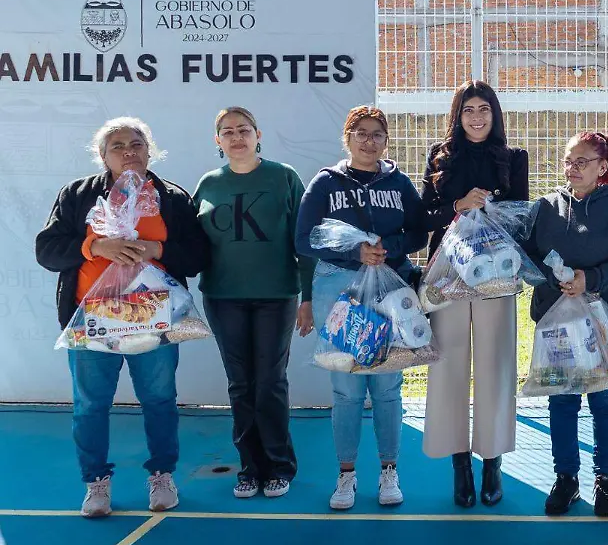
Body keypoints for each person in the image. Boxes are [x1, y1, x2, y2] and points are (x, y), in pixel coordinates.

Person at [35, 117, 209, 517]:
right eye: (118, 145)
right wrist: (97, 247)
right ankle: (96, 483)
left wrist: (155, 250)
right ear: (102, 155)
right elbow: (47, 250)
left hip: (154, 320)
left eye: (136, 144)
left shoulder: (173, 197)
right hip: (93, 320)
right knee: (90, 405)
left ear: (150, 151)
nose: (128, 151)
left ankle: (162, 475)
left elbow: (199, 256)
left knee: (159, 400)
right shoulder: (78, 194)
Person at [295, 105, 427, 510]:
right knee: (347, 388)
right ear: (347, 137)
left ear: (387, 141)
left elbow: (419, 231)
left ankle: (389, 470)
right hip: (338, 289)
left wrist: (388, 249)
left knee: (387, 388)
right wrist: (356, 250)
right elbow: (304, 239)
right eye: (361, 133)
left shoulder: (399, 182)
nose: (369, 141)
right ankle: (346, 473)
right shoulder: (325, 183)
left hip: (390, 288)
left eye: (377, 135)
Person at [194, 106, 316, 499]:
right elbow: (192, 242)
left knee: (270, 382)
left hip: (275, 295)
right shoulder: (209, 183)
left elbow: (304, 242)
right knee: (240, 384)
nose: (236, 137)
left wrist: (308, 296)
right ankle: (249, 468)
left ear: (257, 134)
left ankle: (279, 465)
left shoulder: (283, 177)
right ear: (218, 141)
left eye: (243, 129)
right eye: (227, 131)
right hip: (223, 296)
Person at [420, 80, 529, 508]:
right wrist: (459, 206)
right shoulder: (440, 156)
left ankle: (491, 461)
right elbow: (423, 215)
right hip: (446, 275)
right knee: (447, 366)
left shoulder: (514, 158)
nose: (477, 116)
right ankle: (459, 463)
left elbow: (520, 218)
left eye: (484, 108)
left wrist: (492, 211)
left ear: (495, 113)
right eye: (468, 109)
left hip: (495, 277)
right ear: (457, 115)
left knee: (495, 365)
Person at [524, 132, 608, 516]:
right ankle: (566, 479)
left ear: (603, 167)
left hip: (605, 326)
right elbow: (528, 260)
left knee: (605, 402)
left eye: (582, 162)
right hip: (557, 327)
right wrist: (552, 278)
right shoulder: (545, 207)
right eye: (568, 161)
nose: (572, 169)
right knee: (561, 402)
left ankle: (605, 480)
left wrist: (588, 280)